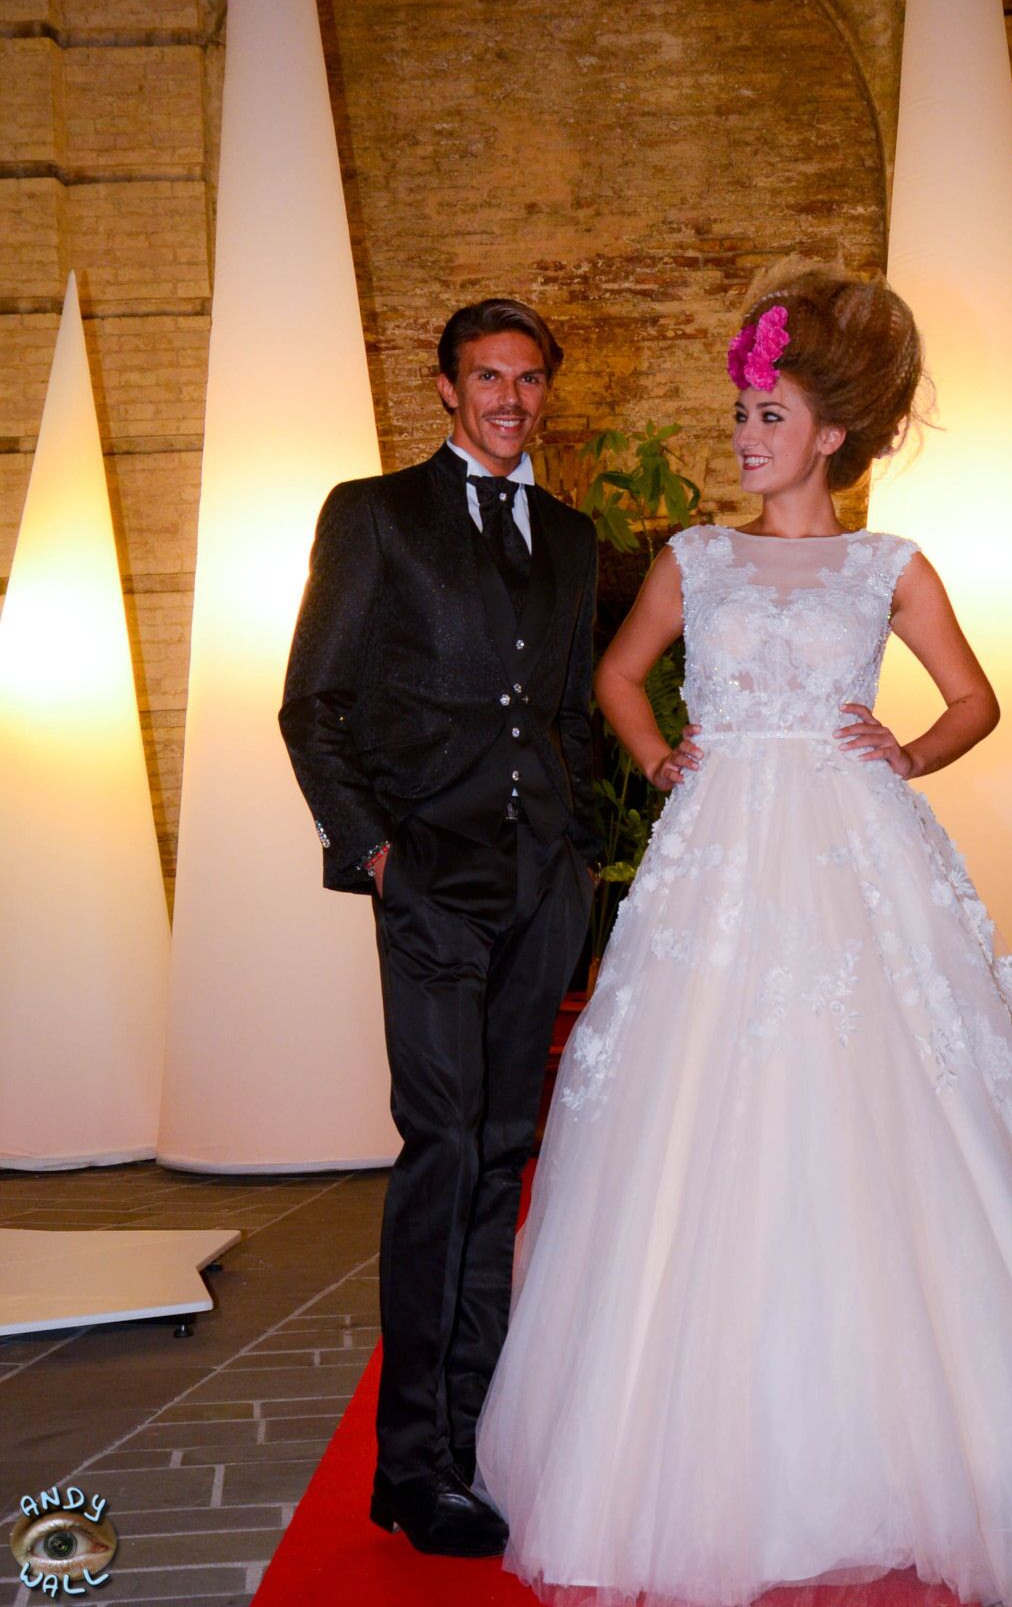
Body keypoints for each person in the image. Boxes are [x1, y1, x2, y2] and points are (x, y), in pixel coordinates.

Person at [473, 274, 1012, 1607]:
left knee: (893, 1112)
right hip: (720, 856)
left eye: (767, 415)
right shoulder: (694, 559)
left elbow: (974, 697)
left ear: (829, 434)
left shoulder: (890, 566)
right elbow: (614, 672)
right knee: (699, 1113)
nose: (743, 435)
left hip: (853, 855)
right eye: (739, 413)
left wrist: (908, 750)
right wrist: (659, 757)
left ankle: (940, 1449)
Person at [279, 297, 602, 1558]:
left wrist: (574, 852)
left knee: (503, 1150)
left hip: (539, 887)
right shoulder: (373, 515)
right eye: (488, 377)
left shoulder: (571, 536)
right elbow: (311, 705)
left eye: (529, 379)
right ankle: (412, 1465)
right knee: (441, 1149)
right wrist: (377, 854)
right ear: (446, 388)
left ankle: (478, 1440)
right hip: (428, 884)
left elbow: (567, 712)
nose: (510, 399)